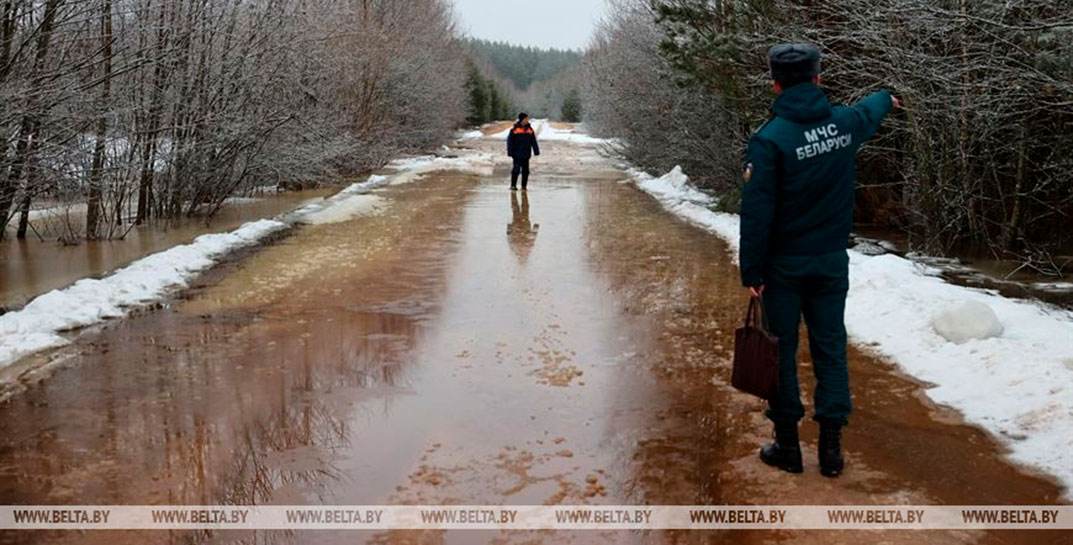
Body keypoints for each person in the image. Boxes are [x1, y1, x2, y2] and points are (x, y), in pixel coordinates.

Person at [739, 43, 900, 477]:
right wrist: (887, 96)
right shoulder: (844, 124)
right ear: (818, 78)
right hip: (830, 263)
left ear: (775, 83)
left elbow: (756, 213)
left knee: (781, 351)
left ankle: (788, 447)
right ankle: (831, 451)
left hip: (783, 268)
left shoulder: (769, 140)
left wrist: (752, 271)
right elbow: (869, 110)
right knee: (830, 349)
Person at [506, 112, 540, 191]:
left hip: (526, 153)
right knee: (516, 170)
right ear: (522, 119)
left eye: (527, 119)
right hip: (516, 154)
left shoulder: (529, 130)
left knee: (526, 171)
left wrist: (536, 150)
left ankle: (524, 186)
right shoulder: (515, 129)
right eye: (526, 119)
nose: (527, 120)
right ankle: (513, 185)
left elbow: (533, 141)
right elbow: (510, 141)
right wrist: (510, 151)